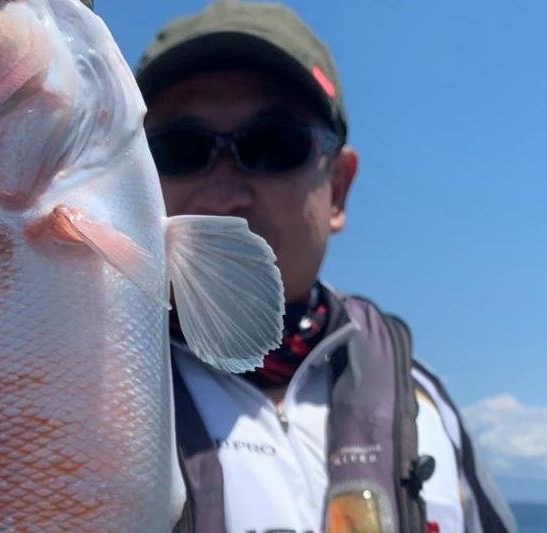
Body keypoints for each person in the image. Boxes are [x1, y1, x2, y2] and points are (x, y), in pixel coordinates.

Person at [134, 1, 515, 532]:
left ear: (338, 189)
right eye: (178, 149)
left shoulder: (421, 397)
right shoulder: (75, 373)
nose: (223, 194)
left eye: (271, 146)